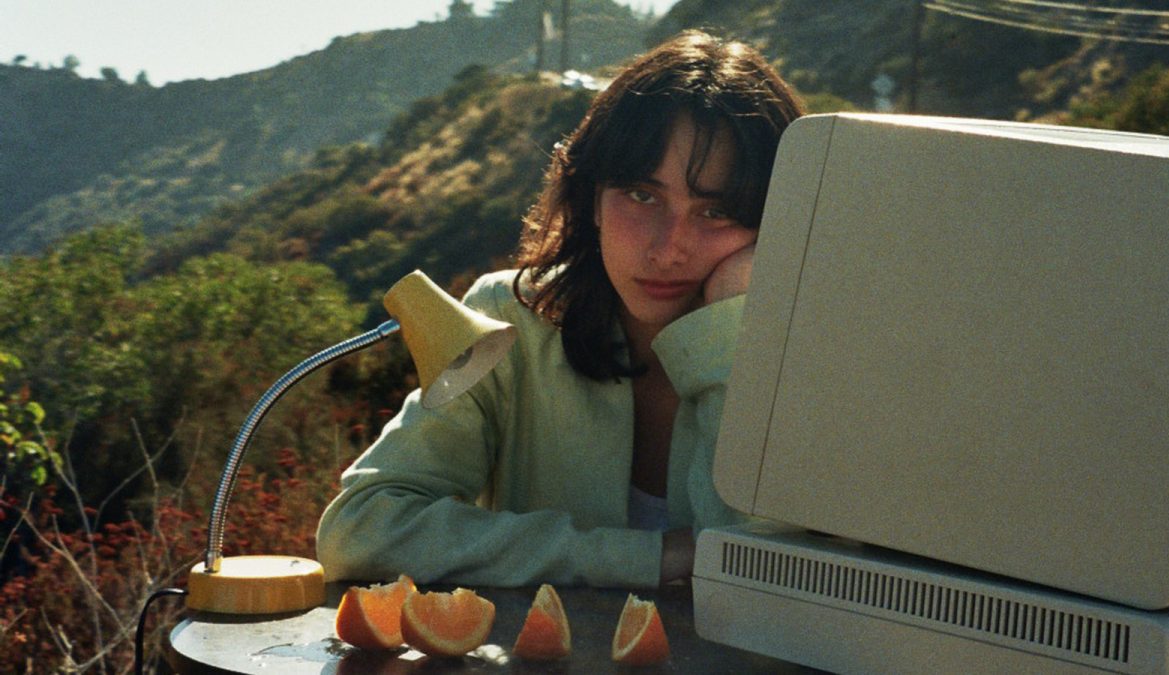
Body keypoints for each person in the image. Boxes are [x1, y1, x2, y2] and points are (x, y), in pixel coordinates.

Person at [316, 29, 806, 588]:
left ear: (777, 221)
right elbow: (359, 530)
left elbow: (778, 576)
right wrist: (645, 558)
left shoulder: (809, 348)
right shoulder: (509, 319)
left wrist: (731, 329)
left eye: (716, 212)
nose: (668, 248)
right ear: (592, 198)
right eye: (641, 196)